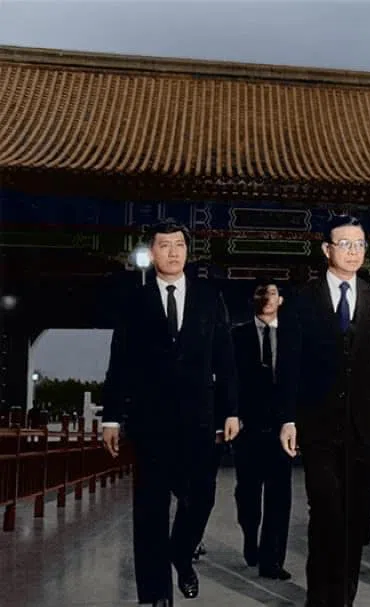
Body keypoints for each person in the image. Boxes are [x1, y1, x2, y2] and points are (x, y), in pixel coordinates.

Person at [101, 219, 239, 607]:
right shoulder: (135, 300)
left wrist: (230, 410)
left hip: (199, 417)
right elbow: (120, 361)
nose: (173, 252)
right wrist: (111, 417)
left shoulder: (209, 297)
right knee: (150, 507)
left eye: (179, 245)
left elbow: (225, 358)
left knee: (201, 498)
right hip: (151, 420)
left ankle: (181, 553)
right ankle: (156, 595)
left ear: (187, 251)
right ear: (152, 252)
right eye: (164, 245)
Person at [278, 215, 370, 607]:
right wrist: (287, 418)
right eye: (345, 244)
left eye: (360, 244)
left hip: (362, 426)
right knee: (326, 512)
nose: (354, 252)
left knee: (354, 517)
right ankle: (320, 599)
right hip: (316, 426)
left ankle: (344, 598)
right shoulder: (303, 299)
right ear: (326, 249)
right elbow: (289, 364)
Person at [232, 279, 293, 580]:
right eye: (261, 292)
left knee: (279, 495)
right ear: (252, 299)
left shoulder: (293, 336)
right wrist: (232, 415)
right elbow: (229, 380)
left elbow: (301, 381)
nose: (267, 297)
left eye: (272, 293)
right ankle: (249, 534)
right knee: (248, 491)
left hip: (283, 427)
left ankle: (272, 561)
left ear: (280, 300)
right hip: (248, 427)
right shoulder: (237, 335)